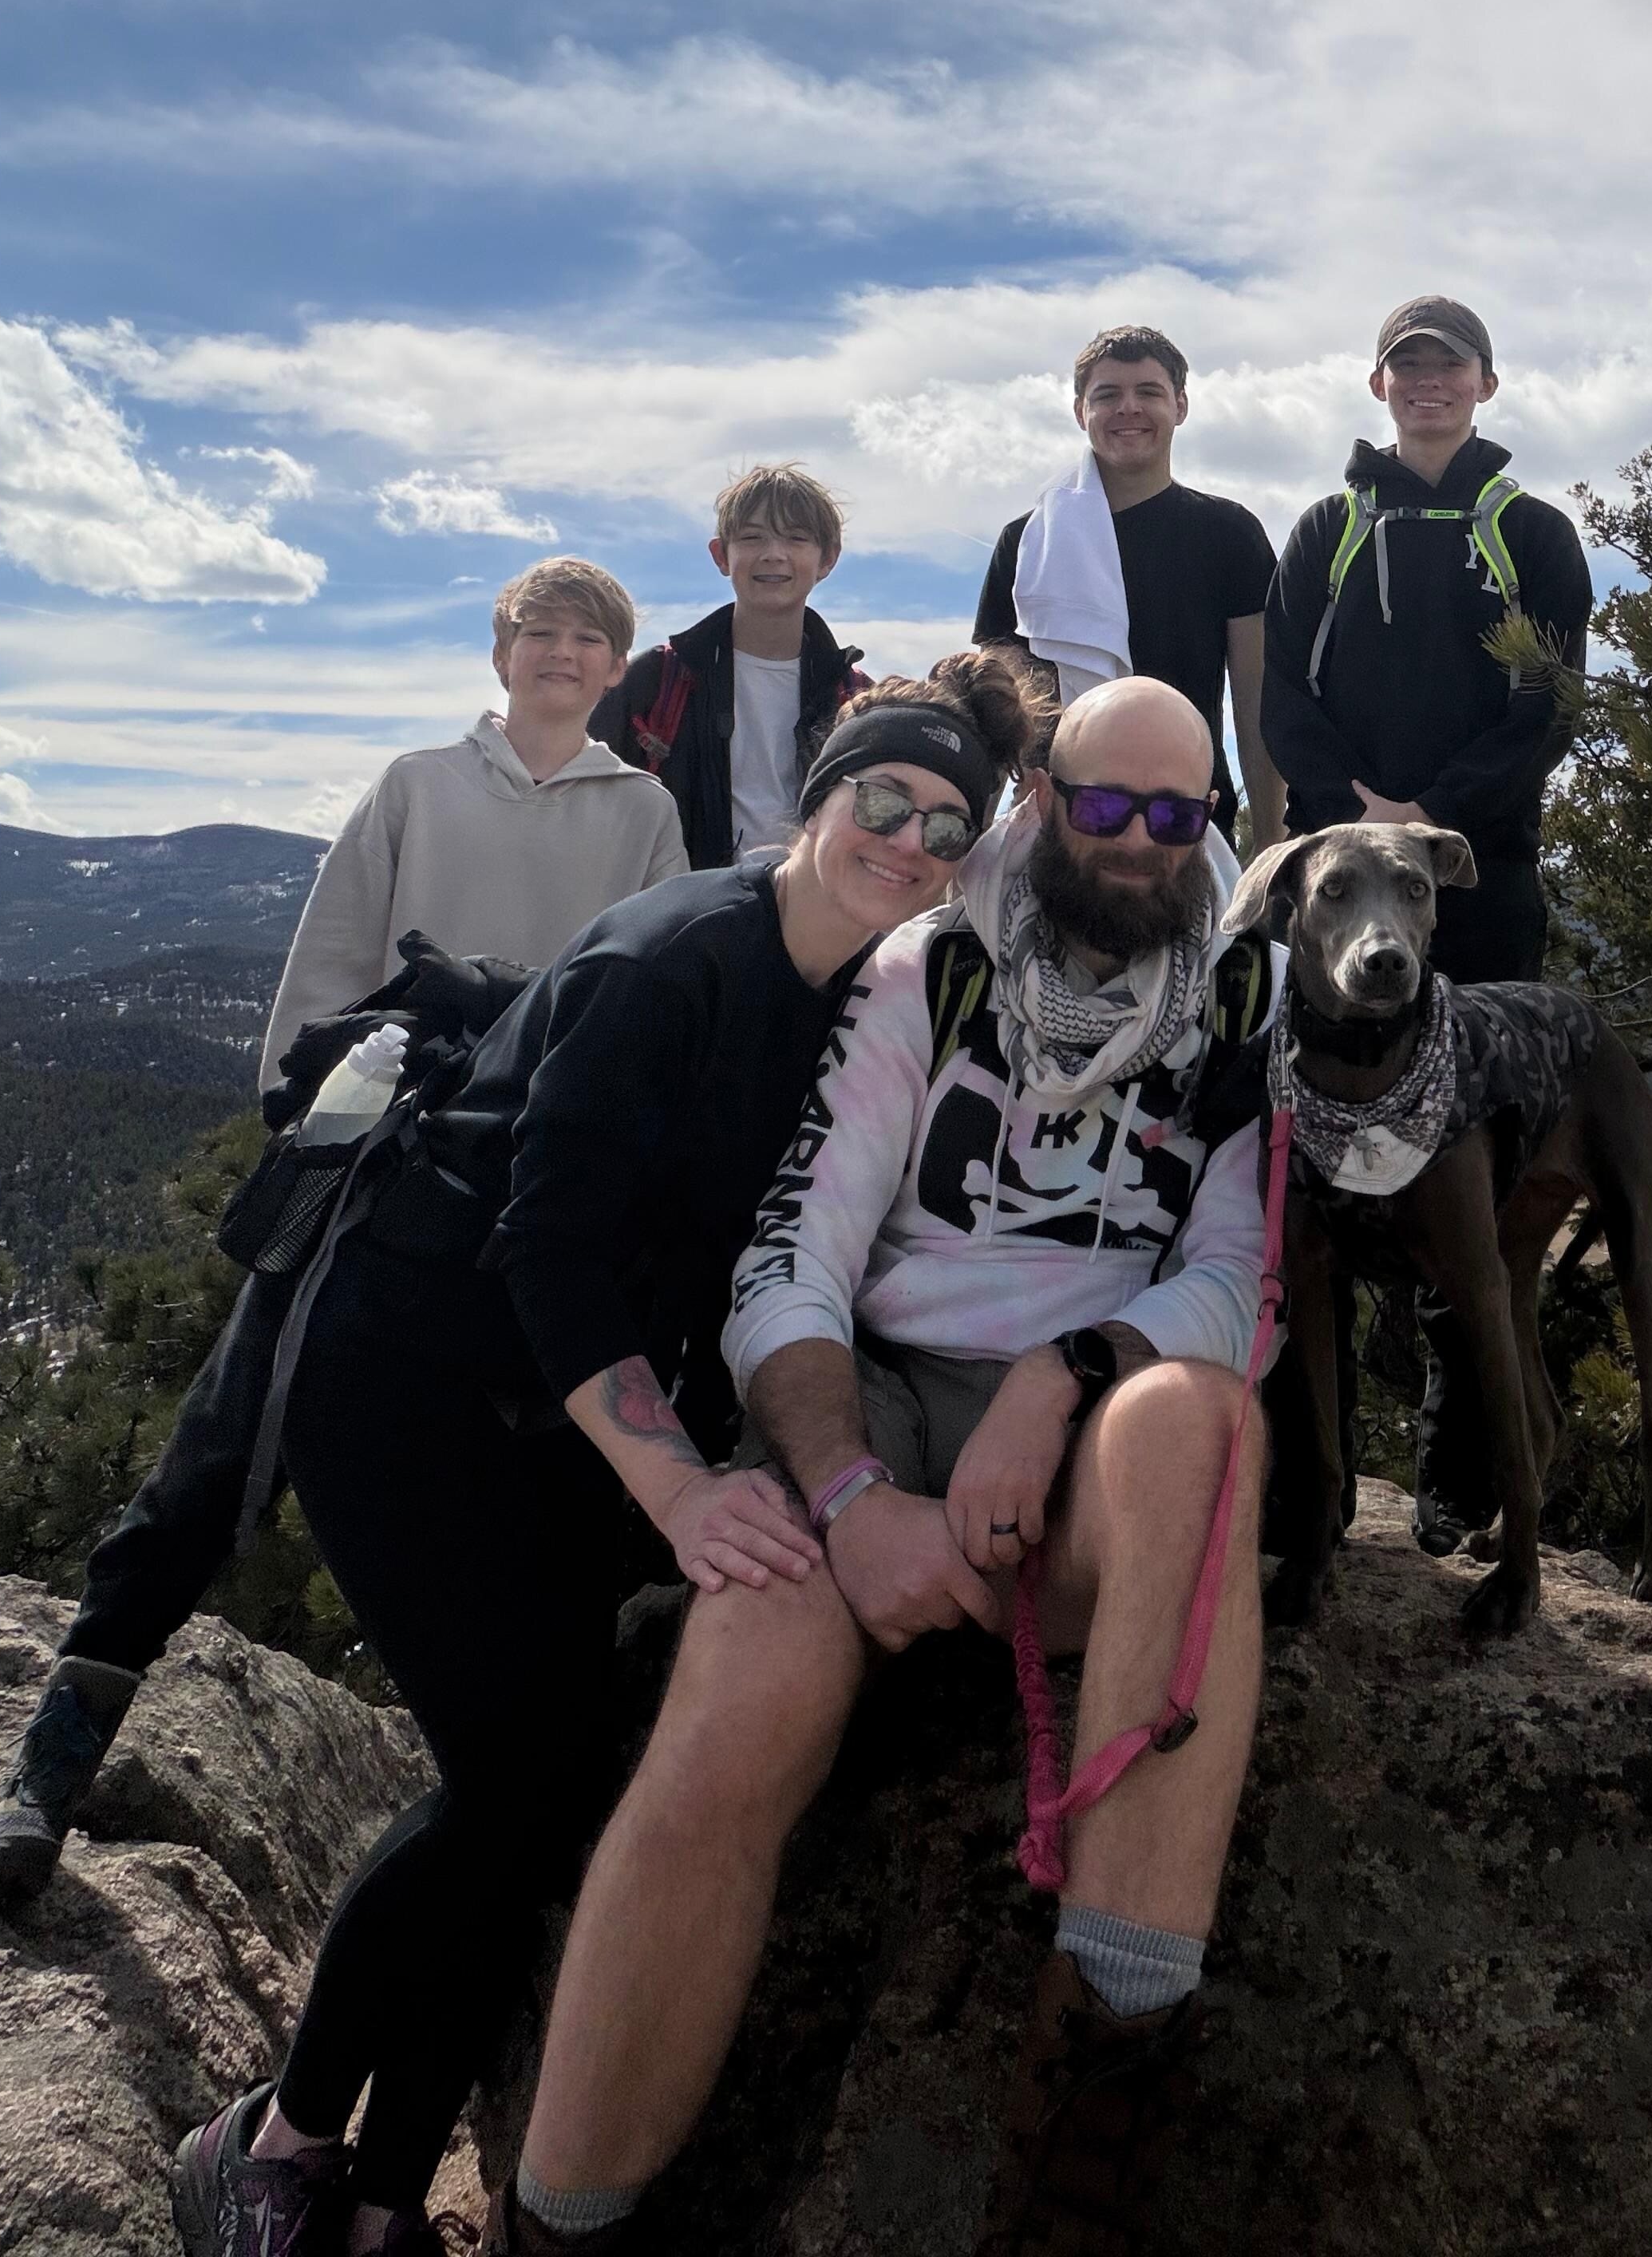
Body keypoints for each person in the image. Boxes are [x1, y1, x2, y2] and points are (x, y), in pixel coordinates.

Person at [167, 655, 1046, 2257]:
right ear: (815, 801)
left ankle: (380, 2197)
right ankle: (270, 2139)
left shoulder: (863, 990)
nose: (913, 840)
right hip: (410, 1386)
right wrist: (685, 1490)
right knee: (516, 1772)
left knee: (554, 1780)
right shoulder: (679, 961)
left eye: (947, 820)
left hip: (560, 1403)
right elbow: (549, 1248)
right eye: (884, 801)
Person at [480, 674, 1279, 2257]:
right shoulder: (932, 973)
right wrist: (847, 1499)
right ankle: (561, 2221)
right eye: (1104, 803)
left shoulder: (1241, 1011)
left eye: (1173, 815)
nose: (1135, 843)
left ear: (1207, 827)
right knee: (748, 1665)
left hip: (1091, 1434)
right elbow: (797, 1262)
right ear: (1042, 799)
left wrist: (1059, 1379)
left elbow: (1239, 1281)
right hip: (886, 1406)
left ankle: (1094, 2100)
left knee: (1205, 1424)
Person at [0, 555, 685, 1921]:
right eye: (541, 631)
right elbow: (322, 984)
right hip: (375, 1177)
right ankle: (44, 1774)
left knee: (547, 1503)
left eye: (589, 637)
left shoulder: (643, 816)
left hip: (531, 1199)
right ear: (500, 651)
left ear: (616, 666)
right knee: (215, 1461)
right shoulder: (416, 785)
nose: (562, 653)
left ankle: (534, 1842)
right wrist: (346, 1105)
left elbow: (646, 1011)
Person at [1258, 297, 1593, 1548]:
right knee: (1312, 1196)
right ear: (1377, 385)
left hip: (1481, 888)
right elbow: (1286, 696)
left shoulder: (1533, 534)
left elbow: (1546, 708)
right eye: (1407, 367)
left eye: (1447, 366)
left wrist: (1427, 816)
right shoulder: (1326, 529)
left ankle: (1459, 1483)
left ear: (1487, 384)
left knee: (1482, 1197)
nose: (1427, 384)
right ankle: (1319, 1487)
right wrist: (1360, 816)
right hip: (1336, 889)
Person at [974, 323, 1283, 849]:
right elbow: (993, 711)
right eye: (1107, 395)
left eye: (1149, 393)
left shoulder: (1230, 534)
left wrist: (1270, 845)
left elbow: (1256, 706)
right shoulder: (1027, 542)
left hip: (1189, 822)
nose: (1128, 409)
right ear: (1080, 412)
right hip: (1058, 827)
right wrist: (975, 845)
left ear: (1180, 406)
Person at [593, 463, 867, 867]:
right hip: (682, 909)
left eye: (796, 539)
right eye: (753, 538)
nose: (774, 555)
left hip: (816, 913)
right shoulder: (658, 679)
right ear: (722, 555)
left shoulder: (856, 698)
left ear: (828, 559)